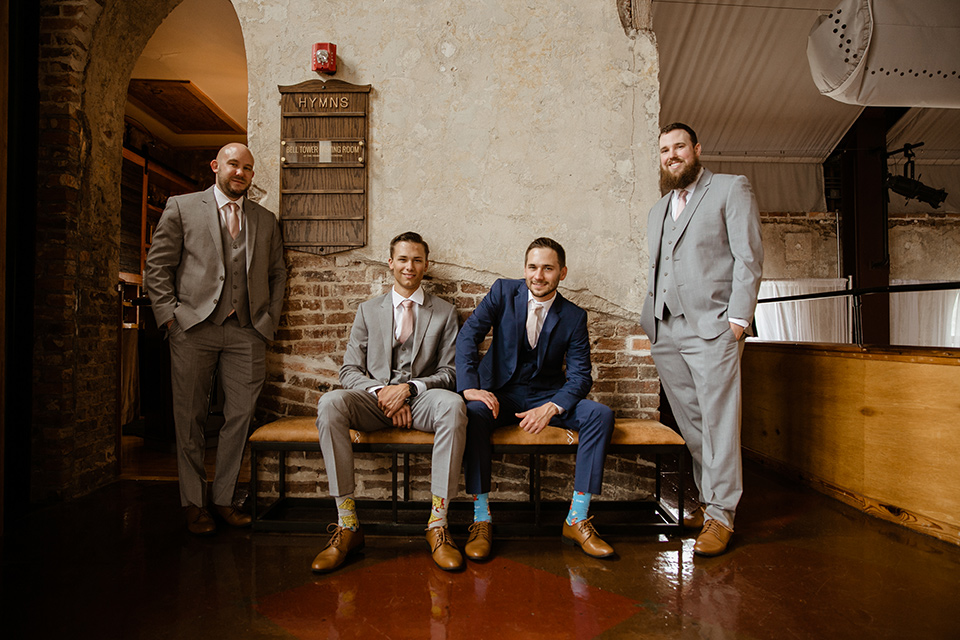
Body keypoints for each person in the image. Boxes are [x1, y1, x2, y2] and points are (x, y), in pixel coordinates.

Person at [144, 142, 287, 535]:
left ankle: (223, 499)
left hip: (247, 331)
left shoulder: (264, 219)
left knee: (240, 417)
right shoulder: (182, 207)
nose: (240, 173)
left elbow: (278, 274)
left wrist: (267, 322)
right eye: (233, 165)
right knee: (188, 418)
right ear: (215, 166)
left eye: (247, 168)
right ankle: (193, 503)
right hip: (193, 328)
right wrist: (171, 318)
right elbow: (157, 267)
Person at [640, 122, 763, 556]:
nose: (671, 155)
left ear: (696, 149)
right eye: (663, 150)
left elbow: (749, 258)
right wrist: (650, 320)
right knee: (692, 425)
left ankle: (722, 515)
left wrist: (737, 321)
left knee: (719, 423)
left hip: (713, 327)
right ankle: (709, 504)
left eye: (678, 146)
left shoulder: (731, 189)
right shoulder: (658, 210)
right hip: (665, 329)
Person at [311, 232, 467, 573]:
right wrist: (383, 393)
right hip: (374, 401)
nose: (409, 266)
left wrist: (409, 389)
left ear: (427, 265)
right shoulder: (368, 311)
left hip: (422, 398)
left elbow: (450, 372)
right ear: (390, 262)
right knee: (330, 404)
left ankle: (437, 524)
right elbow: (349, 370)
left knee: (454, 405)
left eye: (416, 260)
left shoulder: (444, 313)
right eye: (402, 259)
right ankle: (348, 522)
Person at [457, 237, 616, 560]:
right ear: (524, 269)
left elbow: (581, 376)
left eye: (548, 268)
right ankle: (481, 518)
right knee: (473, 413)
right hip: (500, 392)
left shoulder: (573, 316)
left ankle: (577, 517)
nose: (539, 275)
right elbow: (468, 336)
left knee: (600, 415)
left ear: (562, 272)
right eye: (533, 267)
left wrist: (552, 406)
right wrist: (469, 386)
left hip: (546, 394)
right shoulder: (502, 292)